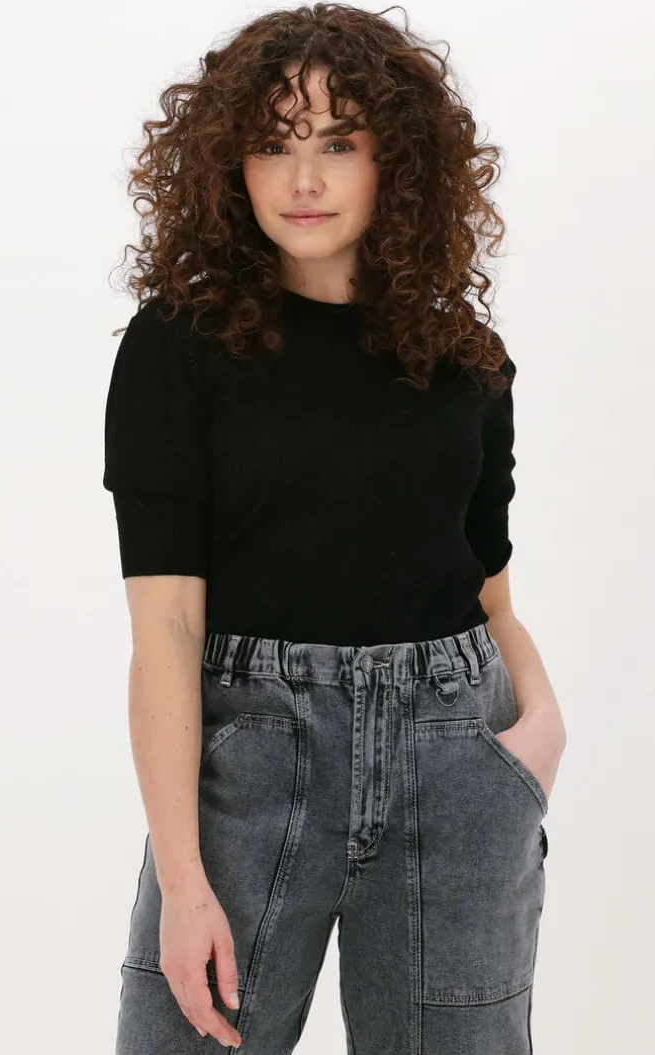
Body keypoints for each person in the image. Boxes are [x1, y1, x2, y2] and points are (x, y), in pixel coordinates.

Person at [102, 5, 567, 1052]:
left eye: (339, 143)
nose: (303, 179)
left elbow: (491, 593)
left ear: (396, 160)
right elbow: (166, 627)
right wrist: (183, 876)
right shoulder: (179, 347)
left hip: (458, 759)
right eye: (273, 144)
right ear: (229, 164)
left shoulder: (464, 357)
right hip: (252, 763)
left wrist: (538, 730)